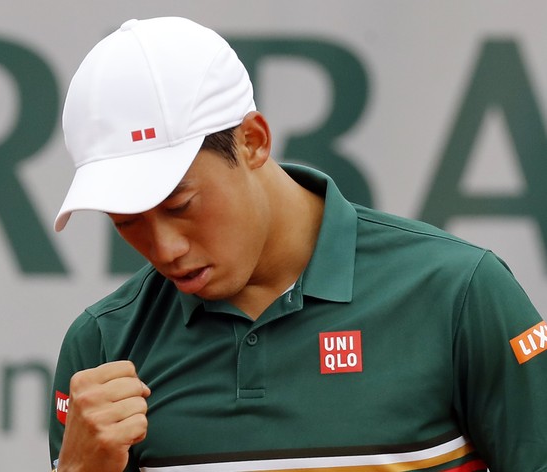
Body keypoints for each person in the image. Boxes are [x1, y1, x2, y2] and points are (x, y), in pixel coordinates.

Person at [49, 16, 547, 472]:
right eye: (126, 222)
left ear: (253, 141)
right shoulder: (101, 346)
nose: (165, 248)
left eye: (181, 205)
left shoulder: (461, 293)